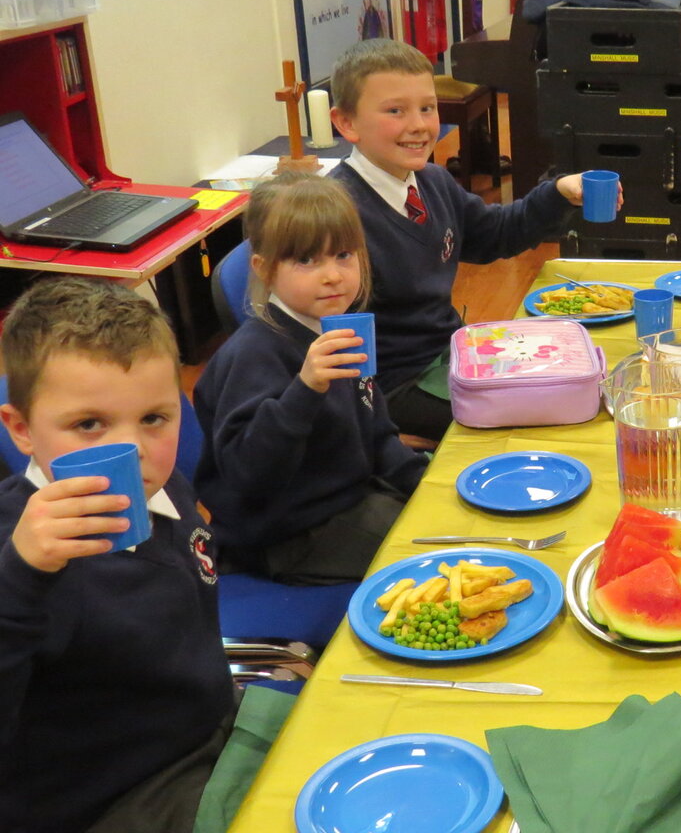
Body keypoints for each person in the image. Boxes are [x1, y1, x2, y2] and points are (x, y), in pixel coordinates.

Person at [0, 278, 236, 831]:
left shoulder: (165, 487)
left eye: (154, 418)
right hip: (111, 800)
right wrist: (20, 578)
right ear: (22, 430)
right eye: (89, 424)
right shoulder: (20, 553)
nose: (132, 450)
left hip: (203, 734)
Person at [328, 38, 615, 442]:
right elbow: (325, 343)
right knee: (553, 414)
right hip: (393, 386)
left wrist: (558, 192)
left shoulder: (432, 181)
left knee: (580, 382)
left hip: (451, 354)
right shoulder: (333, 215)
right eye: (395, 111)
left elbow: (492, 235)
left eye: (426, 108)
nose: (419, 125)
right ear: (346, 123)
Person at [194, 173, 429, 584]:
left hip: (349, 501)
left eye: (343, 255)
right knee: (433, 553)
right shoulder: (253, 355)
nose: (332, 275)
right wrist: (305, 391)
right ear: (265, 270)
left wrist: (426, 485)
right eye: (307, 260)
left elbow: (376, 434)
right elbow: (249, 477)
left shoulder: (340, 329)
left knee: (450, 516)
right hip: (287, 536)